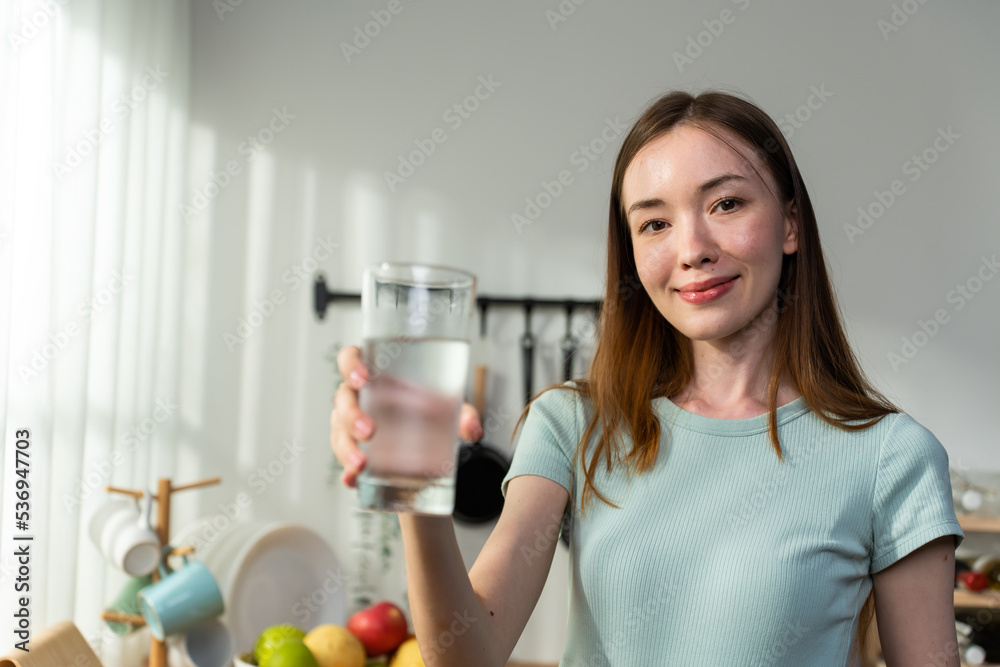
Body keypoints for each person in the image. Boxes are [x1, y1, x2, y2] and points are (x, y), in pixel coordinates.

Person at [330, 90, 964, 666]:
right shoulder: (574, 426)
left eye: (726, 203)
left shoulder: (890, 457)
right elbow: (464, 658)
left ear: (791, 224)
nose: (692, 248)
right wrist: (414, 481)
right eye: (654, 222)